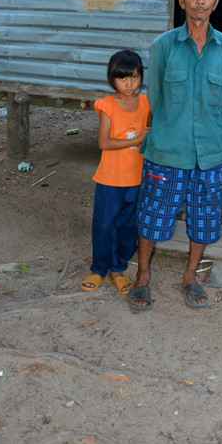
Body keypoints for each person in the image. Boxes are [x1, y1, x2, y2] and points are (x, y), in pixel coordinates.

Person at [129, 0, 222, 311]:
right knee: (152, 216)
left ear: (215, 2)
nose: (200, 1)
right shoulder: (163, 46)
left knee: (203, 219)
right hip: (167, 150)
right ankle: (143, 275)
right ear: (182, 1)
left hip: (207, 152)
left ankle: (190, 276)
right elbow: (157, 99)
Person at [81, 50, 151, 295]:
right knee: (103, 224)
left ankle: (118, 270)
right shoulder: (108, 105)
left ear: (141, 76)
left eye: (134, 77)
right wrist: (136, 140)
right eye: (122, 79)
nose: (129, 84)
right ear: (112, 79)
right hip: (110, 178)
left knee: (128, 226)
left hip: (137, 178)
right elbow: (104, 142)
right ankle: (99, 269)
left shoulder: (146, 103)